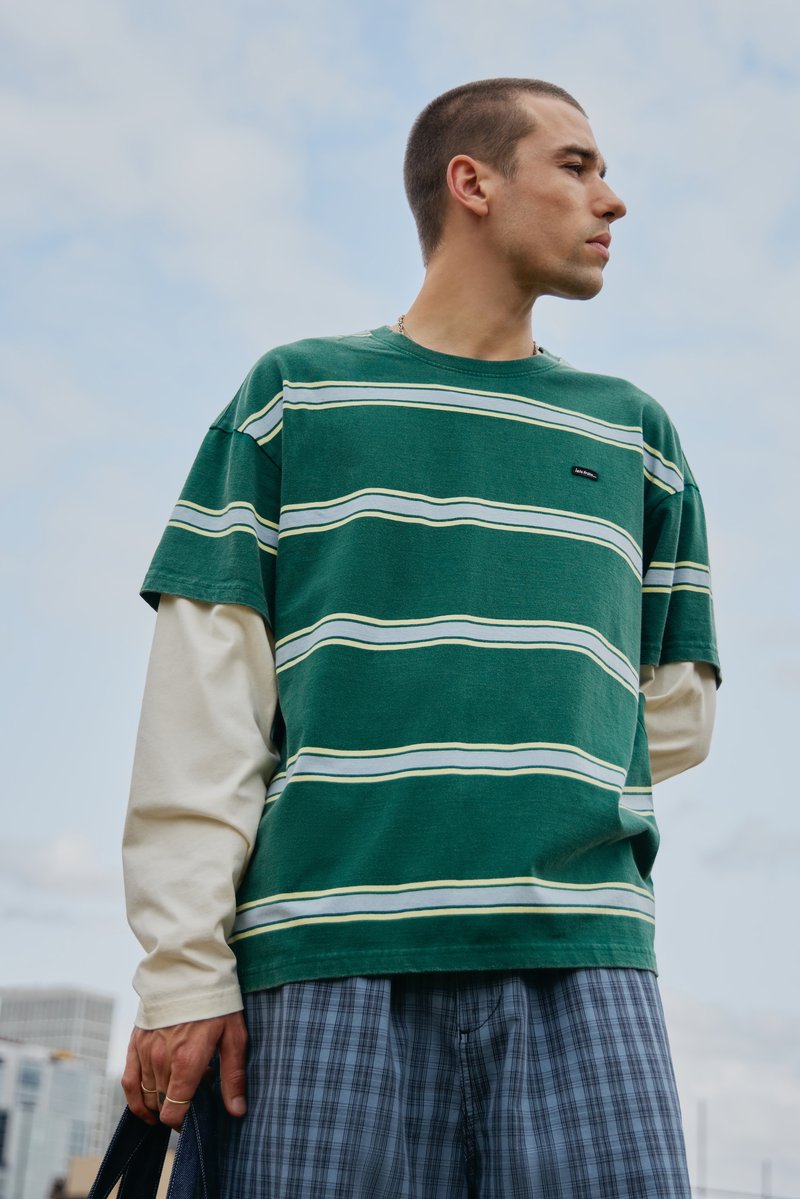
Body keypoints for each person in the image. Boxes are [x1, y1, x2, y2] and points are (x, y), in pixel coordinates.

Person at [121, 77, 720, 1197]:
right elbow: (206, 705)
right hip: (320, 965)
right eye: (578, 166)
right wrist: (182, 976)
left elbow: (673, 714)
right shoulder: (293, 398)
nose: (612, 200)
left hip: (578, 961)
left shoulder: (634, 435)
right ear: (472, 182)